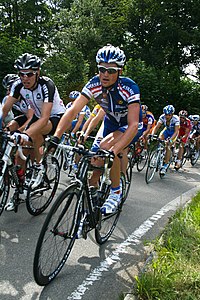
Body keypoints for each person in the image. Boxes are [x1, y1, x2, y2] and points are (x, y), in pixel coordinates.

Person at [50, 44, 142, 214]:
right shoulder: (94, 84)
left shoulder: (129, 87)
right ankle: (93, 195)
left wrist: (114, 150)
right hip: (110, 122)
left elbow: (134, 124)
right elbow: (73, 111)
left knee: (108, 149)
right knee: (96, 160)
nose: (105, 74)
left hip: (129, 125)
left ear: (119, 71)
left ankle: (115, 192)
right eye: (102, 69)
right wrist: (56, 137)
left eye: (111, 70)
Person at [2, 53, 66, 211]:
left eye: (29, 74)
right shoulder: (18, 85)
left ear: (37, 72)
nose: (25, 78)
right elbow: (4, 110)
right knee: (18, 152)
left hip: (55, 118)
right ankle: (19, 189)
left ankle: (39, 166)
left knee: (34, 133)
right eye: (21, 74)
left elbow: (44, 119)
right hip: (36, 117)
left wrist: (25, 134)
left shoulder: (46, 84)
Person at [151, 104, 180, 175]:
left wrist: (170, 140)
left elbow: (176, 131)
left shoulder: (176, 119)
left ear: (172, 114)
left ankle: (165, 165)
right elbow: (157, 127)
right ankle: (157, 155)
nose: (167, 116)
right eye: (166, 114)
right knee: (159, 139)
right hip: (166, 130)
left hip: (173, 132)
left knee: (168, 146)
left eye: (169, 115)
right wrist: (152, 135)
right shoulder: (162, 117)